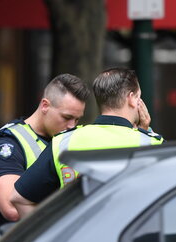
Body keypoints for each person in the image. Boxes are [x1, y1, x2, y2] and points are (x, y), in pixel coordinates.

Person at [11, 68, 164, 217]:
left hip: (77, 240)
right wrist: (146, 132)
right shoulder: (151, 146)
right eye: (139, 97)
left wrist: (55, 237)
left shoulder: (63, 142)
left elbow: (19, 199)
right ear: (131, 99)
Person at [0, 74, 90, 228]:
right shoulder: (9, 144)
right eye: (67, 117)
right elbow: (11, 209)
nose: (71, 126)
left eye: (77, 119)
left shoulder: (69, 139)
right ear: (45, 105)